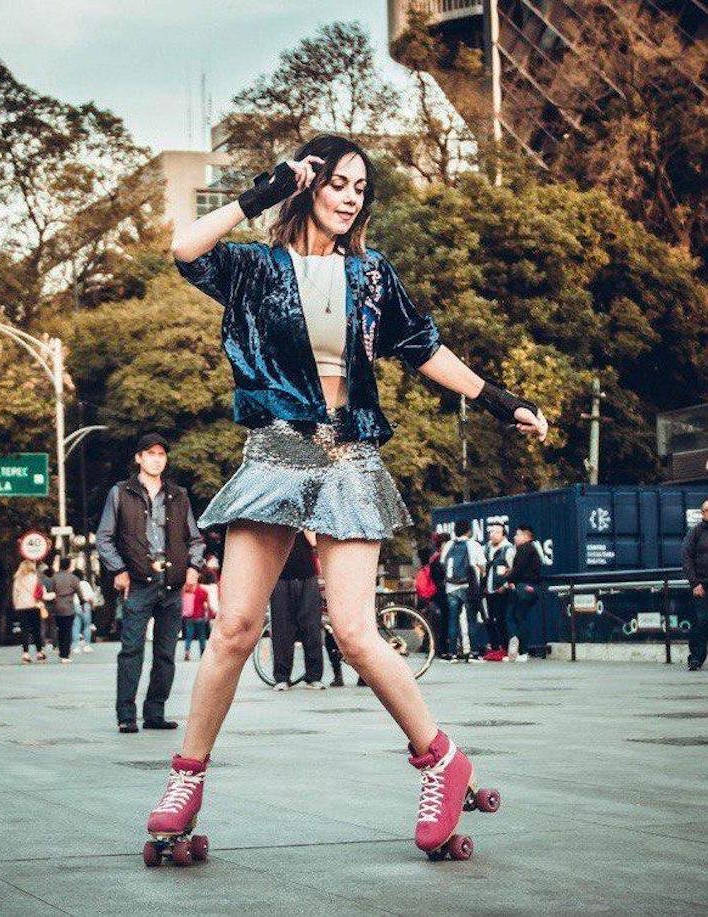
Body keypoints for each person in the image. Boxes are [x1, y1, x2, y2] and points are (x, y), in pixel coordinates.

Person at [145, 135, 547, 860]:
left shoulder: (372, 275)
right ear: (308, 184)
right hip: (275, 453)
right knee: (234, 627)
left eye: (362, 187)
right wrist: (264, 189)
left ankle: (441, 760)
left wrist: (499, 399)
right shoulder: (253, 268)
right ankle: (186, 777)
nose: (352, 197)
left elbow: (424, 348)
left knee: (357, 631)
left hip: (349, 456)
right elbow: (185, 248)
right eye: (338, 182)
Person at [96, 432, 206, 734]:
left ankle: (155, 712)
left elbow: (195, 539)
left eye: (161, 454)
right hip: (137, 581)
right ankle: (126, 715)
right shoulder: (120, 493)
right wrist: (118, 569)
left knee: (166, 653)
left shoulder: (179, 495)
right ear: (139, 458)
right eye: (151, 454)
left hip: (171, 582)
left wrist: (193, 568)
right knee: (131, 650)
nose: (157, 460)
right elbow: (104, 538)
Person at [270, 531, 325, 691]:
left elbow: (315, 542)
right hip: (280, 577)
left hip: (307, 575)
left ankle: (314, 677)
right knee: (282, 629)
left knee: (312, 627)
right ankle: (282, 677)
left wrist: (305, 528)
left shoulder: (308, 521)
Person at [440, 520, 487, 661]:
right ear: (469, 531)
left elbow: (443, 564)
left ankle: (453, 653)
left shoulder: (449, 545)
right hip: (469, 586)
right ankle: (473, 652)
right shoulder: (474, 545)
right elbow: (482, 565)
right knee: (471, 619)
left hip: (451, 587)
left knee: (453, 620)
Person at [505, 524, 542, 662]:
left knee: (517, 617)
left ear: (526, 536)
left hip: (524, 587)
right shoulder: (532, 549)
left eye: (517, 534)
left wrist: (508, 577)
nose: (514, 537)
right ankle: (517, 647)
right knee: (515, 616)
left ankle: (522, 650)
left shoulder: (525, 549)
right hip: (527, 586)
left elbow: (518, 569)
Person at [482, 525, 515, 662]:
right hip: (488, 591)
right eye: (491, 532)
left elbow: (513, 570)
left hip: (501, 591)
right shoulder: (486, 548)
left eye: (497, 532)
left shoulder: (508, 549)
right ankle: (495, 647)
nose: (493, 534)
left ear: (503, 534)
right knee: (489, 620)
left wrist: (505, 585)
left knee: (501, 620)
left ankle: (505, 648)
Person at [682, 499, 708, 671]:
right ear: (702, 513)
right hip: (702, 585)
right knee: (701, 622)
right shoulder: (695, 533)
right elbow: (686, 558)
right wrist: (695, 583)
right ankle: (696, 658)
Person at [12, 559, 47, 664]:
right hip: (34, 605)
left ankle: (25, 653)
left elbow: (15, 594)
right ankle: (39, 652)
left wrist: (16, 605)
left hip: (21, 607)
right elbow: (41, 592)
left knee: (24, 630)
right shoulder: (35, 577)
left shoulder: (17, 579)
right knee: (36, 629)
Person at [182, 571, 219, 661]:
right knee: (201, 636)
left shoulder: (186, 591)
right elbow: (207, 605)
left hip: (189, 616)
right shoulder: (202, 591)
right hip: (200, 616)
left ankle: (187, 651)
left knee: (188, 636)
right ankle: (202, 653)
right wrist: (210, 614)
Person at [51, 558, 80, 664]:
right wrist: (82, 601)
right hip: (69, 607)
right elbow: (79, 591)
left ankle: (60, 650)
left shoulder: (54, 577)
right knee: (67, 631)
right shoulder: (73, 578)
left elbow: (51, 590)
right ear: (69, 566)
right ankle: (65, 654)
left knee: (60, 630)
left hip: (57, 606)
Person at [72, 569, 95, 654]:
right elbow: (91, 596)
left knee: (75, 626)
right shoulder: (85, 584)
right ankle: (87, 645)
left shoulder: (72, 583)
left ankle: (76, 646)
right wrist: (92, 605)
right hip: (85, 605)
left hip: (74, 605)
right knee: (87, 626)